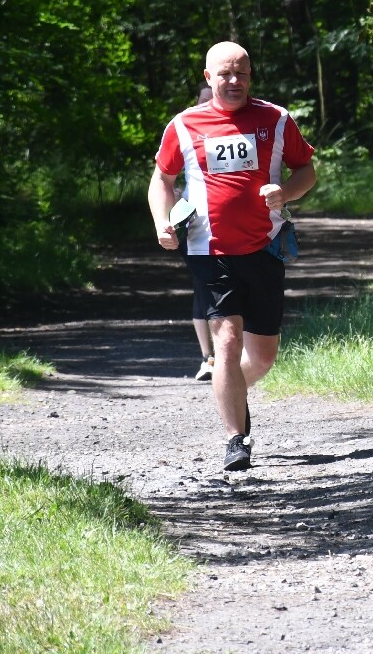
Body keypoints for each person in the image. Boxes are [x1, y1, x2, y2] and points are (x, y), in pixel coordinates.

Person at [148, 42, 317, 471]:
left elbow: (306, 170)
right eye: (224, 74)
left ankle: (231, 393)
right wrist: (161, 221)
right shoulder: (185, 125)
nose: (234, 81)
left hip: (265, 245)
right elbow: (162, 180)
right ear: (208, 78)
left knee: (262, 355)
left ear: (251, 75)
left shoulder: (275, 119)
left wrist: (287, 192)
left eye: (241, 73)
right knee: (226, 341)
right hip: (209, 249)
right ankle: (235, 439)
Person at [188, 84, 216, 381]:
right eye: (203, 99)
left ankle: (229, 355)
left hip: (239, 230)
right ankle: (207, 357)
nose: (209, 104)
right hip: (196, 226)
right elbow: (163, 178)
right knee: (202, 288)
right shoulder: (184, 127)